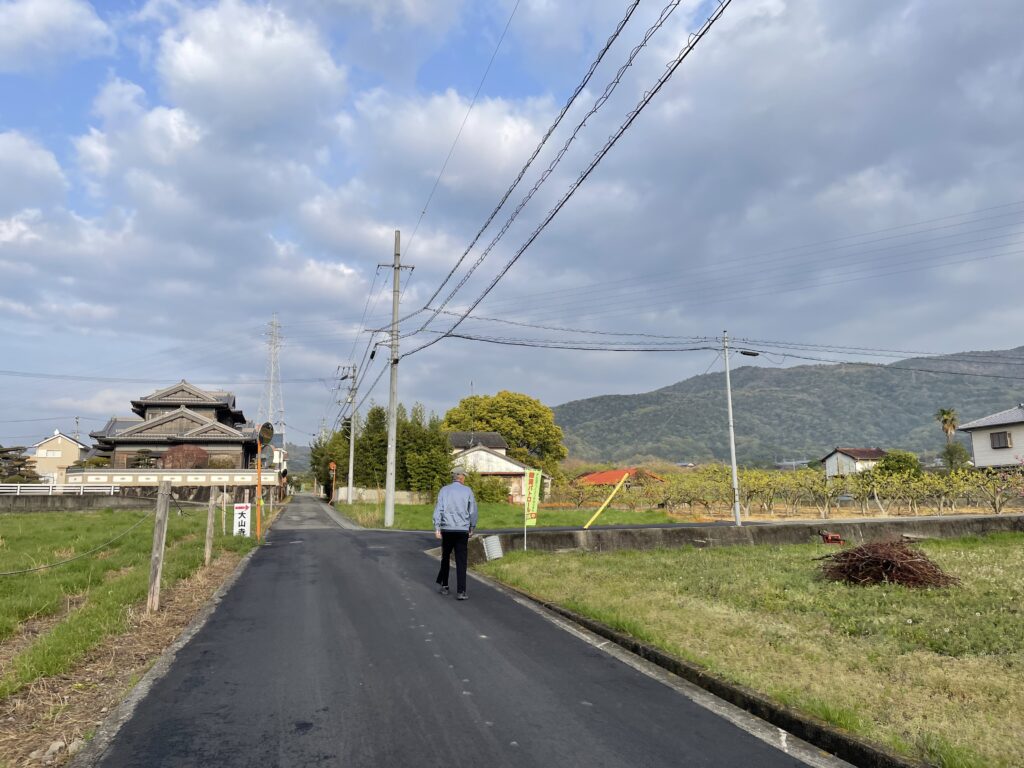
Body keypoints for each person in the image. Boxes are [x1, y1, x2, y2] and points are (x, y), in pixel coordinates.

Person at [433, 466, 478, 600]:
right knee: (461, 560)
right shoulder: (468, 491)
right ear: (461, 477)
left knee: (445, 557)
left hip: (447, 529)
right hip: (462, 530)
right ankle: (461, 591)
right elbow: (473, 511)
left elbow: (439, 509)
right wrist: (472, 527)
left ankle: (445, 586)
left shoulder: (444, 490)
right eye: (464, 477)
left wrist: (437, 528)